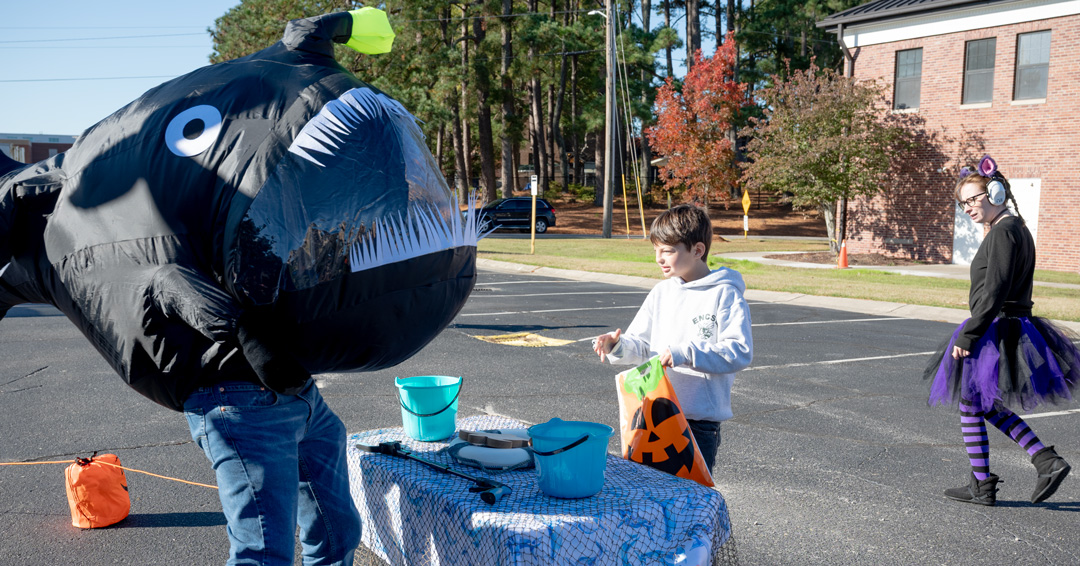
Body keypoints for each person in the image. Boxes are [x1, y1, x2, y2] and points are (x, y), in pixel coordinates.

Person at [925, 155, 1079, 506]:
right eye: (962, 203)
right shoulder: (1013, 229)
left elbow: (995, 290)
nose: (967, 208)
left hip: (996, 326)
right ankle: (1041, 461)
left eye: (972, 199)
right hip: (1003, 324)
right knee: (980, 403)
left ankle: (991, 482)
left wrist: (970, 334)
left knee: (970, 402)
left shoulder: (1005, 232)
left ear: (995, 193)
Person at [593, 204, 753, 472]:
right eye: (656, 250)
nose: (659, 258)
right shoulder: (662, 292)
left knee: (689, 501)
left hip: (696, 424)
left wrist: (686, 353)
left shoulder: (725, 294)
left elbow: (738, 351)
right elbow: (644, 347)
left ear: (698, 250)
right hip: (650, 416)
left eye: (667, 250)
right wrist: (617, 345)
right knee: (646, 494)